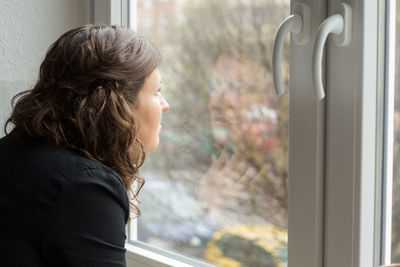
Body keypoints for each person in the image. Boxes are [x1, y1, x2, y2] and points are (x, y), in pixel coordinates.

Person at [0, 25, 169, 267]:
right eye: (156, 91)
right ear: (118, 105)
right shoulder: (83, 186)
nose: (165, 105)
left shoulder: (15, 150)